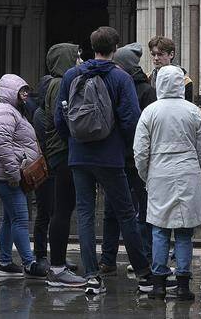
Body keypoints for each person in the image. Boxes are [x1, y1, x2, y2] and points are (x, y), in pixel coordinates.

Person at [54, 26, 152, 295]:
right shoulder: (121, 78)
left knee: (84, 214)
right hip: (110, 156)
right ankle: (144, 274)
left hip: (79, 156)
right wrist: (122, 147)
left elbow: (59, 118)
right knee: (126, 214)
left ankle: (92, 276)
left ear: (91, 46)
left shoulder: (72, 74)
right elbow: (131, 118)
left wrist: (73, 141)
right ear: (115, 48)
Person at [133, 64, 201, 301]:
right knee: (185, 231)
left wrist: (146, 175)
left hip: (159, 173)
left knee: (159, 229)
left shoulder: (150, 112)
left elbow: (140, 151)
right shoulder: (193, 112)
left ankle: (158, 283)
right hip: (188, 173)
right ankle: (184, 285)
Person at [34, 42, 87, 288]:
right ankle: (57, 268)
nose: (80, 60)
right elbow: (63, 119)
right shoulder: (59, 85)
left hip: (61, 153)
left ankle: (59, 264)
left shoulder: (56, 84)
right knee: (62, 210)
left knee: (63, 209)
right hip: (63, 153)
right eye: (76, 56)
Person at [99, 44, 155, 276]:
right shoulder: (115, 83)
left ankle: (145, 256)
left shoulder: (145, 90)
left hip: (136, 159)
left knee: (143, 211)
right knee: (112, 210)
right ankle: (108, 258)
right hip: (118, 157)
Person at [0, 73, 48, 279]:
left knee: (9, 219)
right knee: (21, 219)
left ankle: (5, 263)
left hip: (9, 176)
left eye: (26, 91)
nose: (25, 95)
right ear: (10, 92)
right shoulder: (5, 112)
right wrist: (14, 173)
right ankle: (29, 263)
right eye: (21, 91)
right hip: (9, 177)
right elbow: (3, 145)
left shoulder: (12, 111)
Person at [147, 35, 194, 102]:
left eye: (160, 54)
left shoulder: (185, 81)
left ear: (171, 54)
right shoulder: (147, 78)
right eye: (153, 54)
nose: (156, 58)